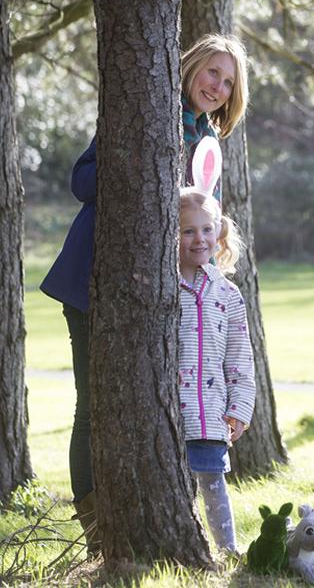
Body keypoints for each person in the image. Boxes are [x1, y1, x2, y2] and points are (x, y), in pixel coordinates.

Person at [38, 33, 250, 553]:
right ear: (191, 67)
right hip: (95, 280)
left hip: (159, 294)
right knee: (94, 406)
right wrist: (135, 163)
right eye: (212, 73)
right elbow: (81, 180)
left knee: (150, 403)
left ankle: (154, 511)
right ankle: (96, 529)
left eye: (228, 82)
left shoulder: (206, 142)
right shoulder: (149, 111)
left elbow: (200, 219)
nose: (218, 87)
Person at [178, 181, 255, 556]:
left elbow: (240, 358)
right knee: (173, 484)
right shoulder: (164, 286)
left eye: (206, 229)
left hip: (210, 415)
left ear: (218, 231)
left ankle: (226, 549)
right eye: (188, 230)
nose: (199, 239)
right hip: (170, 413)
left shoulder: (227, 294)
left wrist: (239, 409)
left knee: (213, 482)